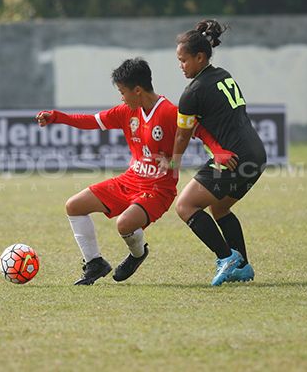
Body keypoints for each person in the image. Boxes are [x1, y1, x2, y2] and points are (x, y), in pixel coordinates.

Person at [36, 57, 221, 285]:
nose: (121, 97)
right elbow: (90, 121)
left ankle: (137, 254)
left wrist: (218, 152)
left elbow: (200, 131)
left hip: (158, 189)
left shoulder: (170, 112)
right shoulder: (126, 111)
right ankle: (94, 263)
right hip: (129, 180)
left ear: (137, 90)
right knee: (74, 206)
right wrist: (56, 116)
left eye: (122, 92)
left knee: (123, 224)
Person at [170, 19, 267, 286]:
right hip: (257, 154)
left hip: (236, 157)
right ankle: (243, 267)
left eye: (184, 60)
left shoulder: (193, 92)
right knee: (220, 207)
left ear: (200, 57)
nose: (180, 66)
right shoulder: (223, 74)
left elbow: (182, 134)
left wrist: (173, 163)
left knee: (185, 205)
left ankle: (227, 258)